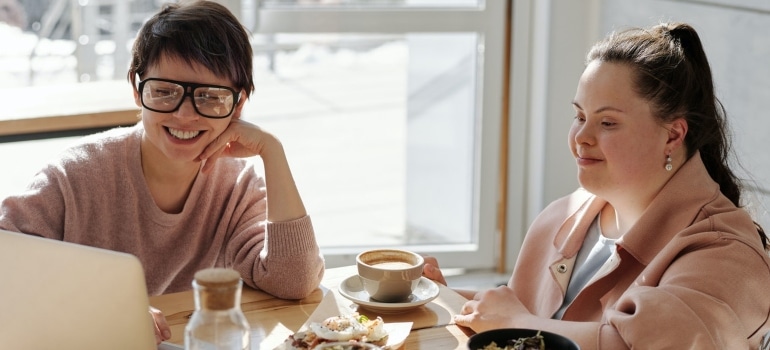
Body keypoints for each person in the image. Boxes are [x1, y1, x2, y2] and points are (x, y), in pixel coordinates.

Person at [423, 22, 770, 349]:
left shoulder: (724, 253)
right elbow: (517, 316)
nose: (581, 138)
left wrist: (516, 321)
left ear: (673, 135)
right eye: (579, 116)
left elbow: (636, 343)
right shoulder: (564, 216)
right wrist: (437, 297)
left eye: (607, 122)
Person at [0, 0, 324, 344]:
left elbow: (295, 281)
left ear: (238, 105)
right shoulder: (75, 174)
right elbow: (8, 262)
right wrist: (104, 304)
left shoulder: (237, 185)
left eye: (210, 96)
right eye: (165, 92)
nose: (185, 115)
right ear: (137, 89)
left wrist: (271, 152)